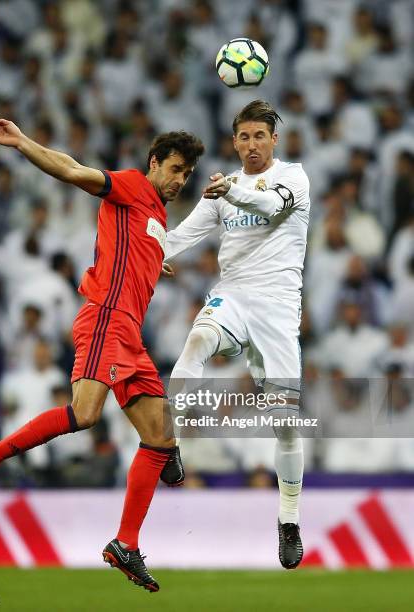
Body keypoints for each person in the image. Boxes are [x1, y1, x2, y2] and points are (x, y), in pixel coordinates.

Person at [0, 116, 204, 592]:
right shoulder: (130, 185)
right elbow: (73, 170)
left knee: (160, 431)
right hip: (106, 320)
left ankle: (125, 544)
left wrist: (156, 261)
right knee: (86, 414)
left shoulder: (155, 213)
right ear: (154, 163)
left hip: (130, 335)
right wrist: (22, 141)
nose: (179, 180)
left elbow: (136, 248)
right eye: (174, 169)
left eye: (186, 174)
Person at [164, 100, 310, 570]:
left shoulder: (294, 178)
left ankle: (288, 520)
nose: (251, 145)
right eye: (243, 137)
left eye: (259, 137)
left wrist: (230, 192)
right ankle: (167, 441)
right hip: (234, 295)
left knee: (286, 423)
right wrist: (146, 247)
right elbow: (178, 238)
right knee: (196, 342)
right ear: (234, 141)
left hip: (278, 308)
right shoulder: (221, 190)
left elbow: (268, 206)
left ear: (274, 140)